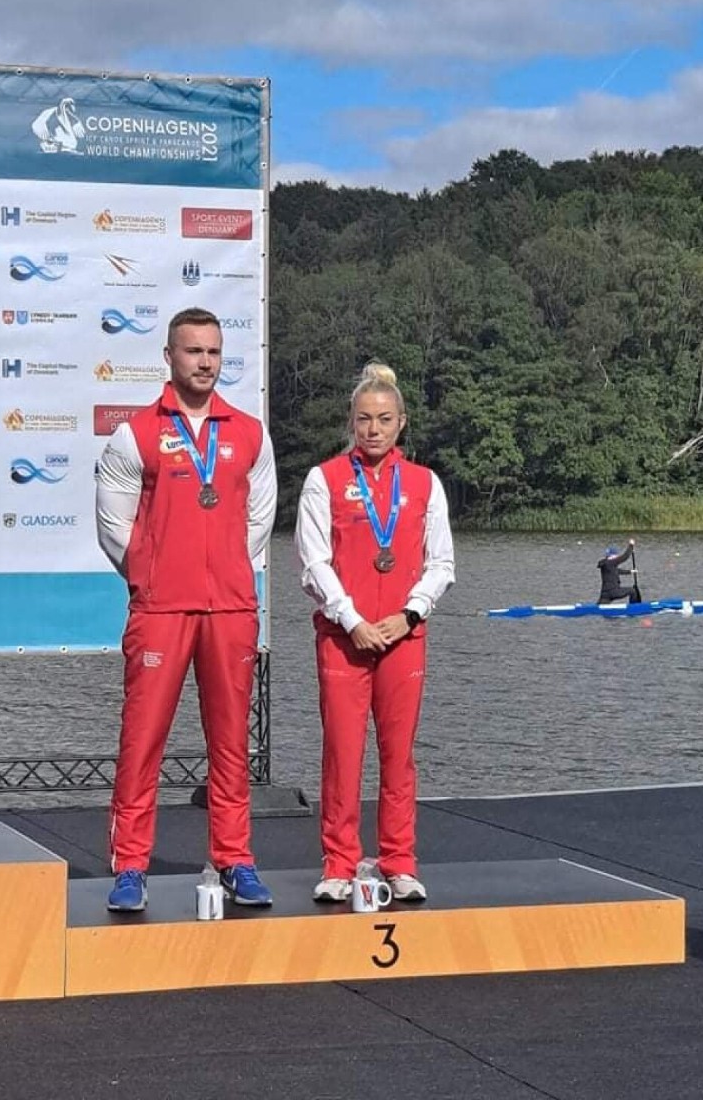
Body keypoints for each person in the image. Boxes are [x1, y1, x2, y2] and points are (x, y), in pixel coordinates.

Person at [95, 307, 277, 911]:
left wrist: (222, 567)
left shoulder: (249, 433)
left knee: (230, 744)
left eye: (214, 352)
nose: (205, 362)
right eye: (193, 351)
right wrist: (153, 577)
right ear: (169, 357)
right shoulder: (137, 433)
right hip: (162, 611)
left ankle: (235, 858)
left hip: (229, 610)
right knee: (141, 740)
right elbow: (113, 527)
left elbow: (258, 522)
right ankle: (130, 867)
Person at [294, 362, 455, 903]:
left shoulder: (425, 484)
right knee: (342, 753)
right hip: (346, 637)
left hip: (403, 636)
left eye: (384, 419)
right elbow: (313, 563)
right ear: (351, 421)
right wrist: (352, 619)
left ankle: (398, 860)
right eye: (364, 419)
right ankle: (339, 863)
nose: (373, 429)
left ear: (401, 422)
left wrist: (409, 615)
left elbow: (442, 564)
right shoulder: (325, 480)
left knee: (398, 754)